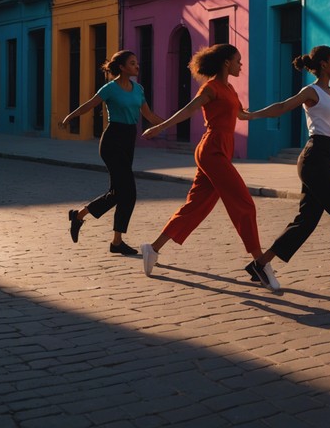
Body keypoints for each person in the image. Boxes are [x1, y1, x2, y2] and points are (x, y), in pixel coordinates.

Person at [139, 43, 278, 290]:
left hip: (221, 150)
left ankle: (153, 248)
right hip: (211, 150)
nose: (240, 65)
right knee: (244, 203)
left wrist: (272, 111)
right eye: (238, 60)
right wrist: (161, 127)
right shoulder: (211, 88)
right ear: (226, 62)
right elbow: (188, 109)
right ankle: (260, 262)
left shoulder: (230, 90)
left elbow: (243, 116)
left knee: (196, 206)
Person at [245, 46, 330, 287]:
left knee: (307, 220)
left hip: (323, 158)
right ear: (323, 65)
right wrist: (251, 116)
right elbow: (282, 106)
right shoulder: (310, 91)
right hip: (314, 158)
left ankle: (259, 263)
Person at [60, 50, 163, 255]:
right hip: (112, 140)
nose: (137, 66)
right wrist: (69, 117)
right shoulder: (110, 88)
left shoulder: (138, 89)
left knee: (118, 192)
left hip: (128, 140)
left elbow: (149, 115)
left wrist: (171, 122)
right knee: (129, 192)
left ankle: (81, 217)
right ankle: (115, 240)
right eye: (132, 63)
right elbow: (89, 105)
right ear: (122, 67)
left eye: (137, 63)